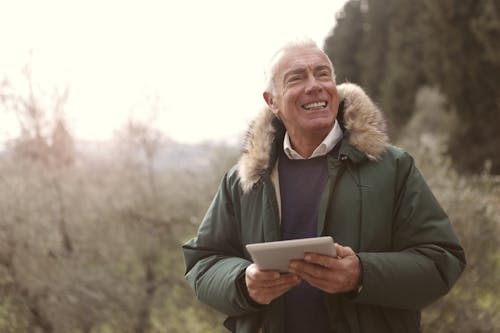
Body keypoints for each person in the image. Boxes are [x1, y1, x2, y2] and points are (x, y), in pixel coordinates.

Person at [182, 38, 466, 333]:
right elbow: (202, 262)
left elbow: (442, 260)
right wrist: (243, 282)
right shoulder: (243, 181)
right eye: (297, 77)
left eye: (323, 74)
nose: (314, 85)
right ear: (272, 101)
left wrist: (361, 274)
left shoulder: (393, 167)